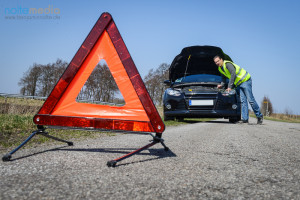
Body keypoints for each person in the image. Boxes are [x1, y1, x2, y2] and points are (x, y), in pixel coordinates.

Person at [213, 55, 263, 124]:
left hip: (245, 80)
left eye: (218, 61)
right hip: (239, 83)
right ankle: (245, 119)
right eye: (215, 62)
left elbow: (233, 74)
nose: (217, 63)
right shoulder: (220, 69)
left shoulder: (227, 64)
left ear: (221, 59)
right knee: (243, 101)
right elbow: (224, 79)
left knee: (250, 99)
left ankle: (259, 116)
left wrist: (229, 86)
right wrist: (221, 85)